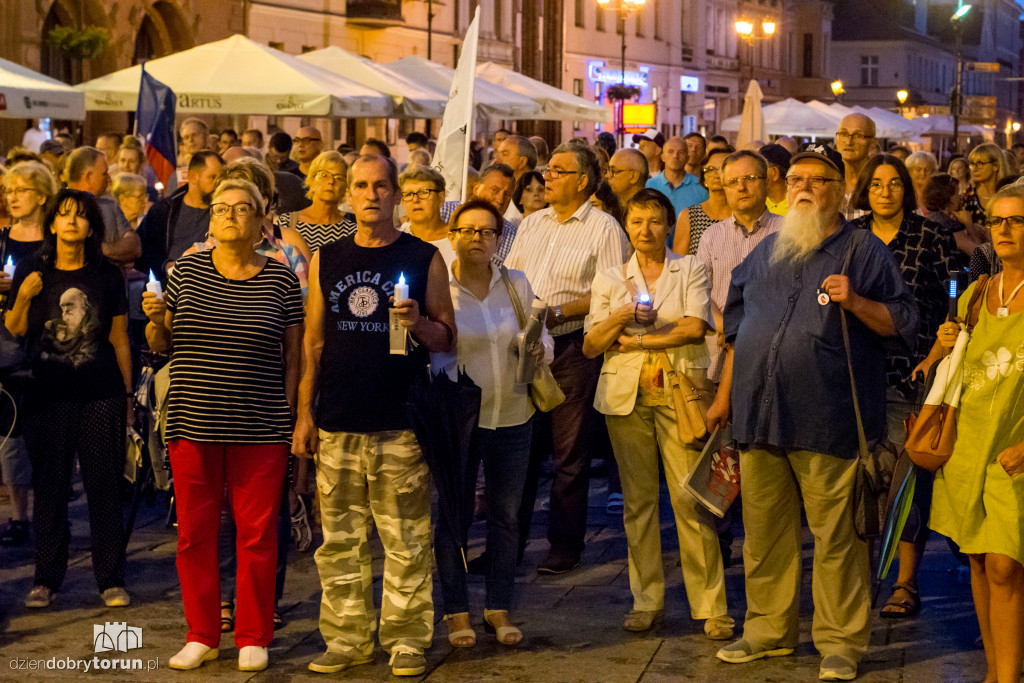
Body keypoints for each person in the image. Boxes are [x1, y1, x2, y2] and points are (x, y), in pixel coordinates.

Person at [708, 145, 918, 682]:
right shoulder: (768, 251)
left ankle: (841, 641)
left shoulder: (863, 251)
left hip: (831, 421)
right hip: (761, 417)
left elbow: (905, 321)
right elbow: (735, 325)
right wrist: (732, 391)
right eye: (797, 179)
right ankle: (768, 631)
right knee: (765, 535)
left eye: (818, 181)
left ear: (839, 191)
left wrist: (857, 303)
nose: (804, 187)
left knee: (838, 540)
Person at [292, 155, 455, 677]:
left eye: (380, 186)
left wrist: (418, 324)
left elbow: (448, 337)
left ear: (396, 196)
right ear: (349, 195)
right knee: (339, 543)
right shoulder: (327, 258)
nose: (369, 195)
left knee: (406, 539)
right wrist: (305, 416)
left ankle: (407, 639)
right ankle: (346, 640)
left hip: (400, 420)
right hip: (338, 420)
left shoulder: (424, 256)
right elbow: (314, 342)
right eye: (360, 186)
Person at [141, 178, 302, 672]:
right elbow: (162, 343)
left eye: (241, 209)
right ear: (210, 220)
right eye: (220, 209)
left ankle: (253, 633)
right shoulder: (186, 270)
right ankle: (202, 633)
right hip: (193, 419)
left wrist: (293, 414)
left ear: (260, 222)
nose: (229, 215)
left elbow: (293, 355)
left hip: (261, 422)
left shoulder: (280, 279)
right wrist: (154, 318)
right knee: (194, 533)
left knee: (257, 533)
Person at [584, 188, 733, 639]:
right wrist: (621, 317)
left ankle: (711, 606)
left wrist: (639, 340)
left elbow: (695, 325)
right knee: (638, 503)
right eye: (636, 221)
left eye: (653, 221)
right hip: (626, 398)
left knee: (690, 499)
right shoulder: (611, 277)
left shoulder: (688, 267)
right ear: (625, 226)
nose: (644, 230)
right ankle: (646, 599)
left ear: (669, 226)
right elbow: (592, 343)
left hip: (679, 394)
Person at [504, 143, 630, 575]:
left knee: (567, 453)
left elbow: (612, 293)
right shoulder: (531, 223)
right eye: (546, 169)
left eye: (558, 170)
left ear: (582, 180)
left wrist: (559, 311)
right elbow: (511, 278)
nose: (547, 177)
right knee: (518, 447)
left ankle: (565, 544)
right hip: (525, 345)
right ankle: (509, 546)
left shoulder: (604, 228)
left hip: (572, 346)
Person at [432, 199, 553, 648]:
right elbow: (434, 350)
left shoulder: (516, 283)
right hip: (460, 422)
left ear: (499, 239)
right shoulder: (440, 289)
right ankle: (456, 612)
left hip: (514, 414)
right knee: (454, 517)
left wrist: (540, 351)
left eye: (486, 231)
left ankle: (498, 607)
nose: (476, 238)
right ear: (452, 236)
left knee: (505, 517)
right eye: (467, 230)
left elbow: (541, 338)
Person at [6, 189, 133, 610]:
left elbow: (118, 339)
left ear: (92, 225)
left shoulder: (106, 275)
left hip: (101, 393)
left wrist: (129, 395)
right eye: (64, 216)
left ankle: (110, 578)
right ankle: (46, 578)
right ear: (53, 224)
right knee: (50, 488)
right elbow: (14, 329)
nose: (72, 222)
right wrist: (24, 295)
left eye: (80, 216)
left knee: (104, 488)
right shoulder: (32, 269)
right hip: (48, 395)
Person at [849, 155, 960, 620]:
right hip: (855, 373)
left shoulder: (929, 234)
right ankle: (858, 580)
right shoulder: (850, 238)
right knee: (860, 480)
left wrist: (952, 322)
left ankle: (905, 582)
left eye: (894, 184)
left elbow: (959, 280)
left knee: (905, 480)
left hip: (912, 372)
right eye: (876, 184)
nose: (886, 191)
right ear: (865, 190)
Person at [921, 185, 1024, 683]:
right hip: (969, 443)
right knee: (980, 560)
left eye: (1017, 221)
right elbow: (959, 357)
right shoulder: (982, 289)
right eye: (998, 220)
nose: (1003, 230)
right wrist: (946, 341)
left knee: (1006, 563)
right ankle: (996, 671)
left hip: (1016, 447)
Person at [0, 161, 57, 547]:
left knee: (47, 427)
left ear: (40, 195)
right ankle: (19, 515)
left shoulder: (55, 239)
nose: (13, 197)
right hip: (7, 342)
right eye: (9, 190)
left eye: (21, 190)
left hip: (50, 340)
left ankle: (51, 509)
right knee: (10, 427)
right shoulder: (2, 239)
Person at [697, 150, 783, 381]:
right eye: (733, 182)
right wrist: (724, 325)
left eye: (750, 179)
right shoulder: (711, 236)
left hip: (773, 350)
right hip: (720, 347)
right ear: (724, 189)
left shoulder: (788, 233)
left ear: (766, 183)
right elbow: (700, 289)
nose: (741, 187)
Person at [137, 150, 224, 280]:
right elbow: (142, 251)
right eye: (213, 177)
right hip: (168, 287)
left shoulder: (224, 212)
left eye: (221, 178)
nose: (219, 183)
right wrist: (165, 266)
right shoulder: (164, 211)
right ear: (193, 176)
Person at [65, 147, 142, 267]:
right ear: (88, 176)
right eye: (104, 174)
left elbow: (134, 246)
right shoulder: (59, 209)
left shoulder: (110, 206)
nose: (109, 179)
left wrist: (99, 248)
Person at [274, 151, 356, 253]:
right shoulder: (286, 222)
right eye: (324, 175)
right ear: (312, 181)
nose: (331, 181)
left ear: (345, 186)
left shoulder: (354, 228)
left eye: (338, 177)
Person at [440, 163, 519, 264]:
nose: (500, 199)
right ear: (476, 188)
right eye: (495, 190)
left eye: (507, 194)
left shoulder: (513, 238)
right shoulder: (444, 212)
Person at [673, 147, 734, 256]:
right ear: (704, 176)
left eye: (722, 169)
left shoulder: (743, 215)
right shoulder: (690, 216)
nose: (716, 174)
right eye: (710, 169)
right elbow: (679, 262)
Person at [647, 137, 710, 237]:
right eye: (670, 152)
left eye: (681, 152)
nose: (675, 156)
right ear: (662, 157)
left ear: (687, 157)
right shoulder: (649, 185)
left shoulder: (701, 186)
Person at [399, 166, 453, 267]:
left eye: (423, 192)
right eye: (409, 194)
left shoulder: (458, 242)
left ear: (441, 199)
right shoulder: (396, 241)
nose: (415, 200)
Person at [963, 142, 1015, 233]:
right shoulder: (967, 196)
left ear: (995, 165)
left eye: (980, 163)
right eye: (972, 164)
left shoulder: (1010, 195)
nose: (974, 169)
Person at [835, 113, 877, 219]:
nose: (849, 142)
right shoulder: (825, 182)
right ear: (836, 138)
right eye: (844, 134)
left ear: (873, 143)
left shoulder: (880, 186)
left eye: (858, 135)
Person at [496, 135, 538, 225]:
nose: (497, 160)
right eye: (497, 154)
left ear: (522, 161)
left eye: (504, 154)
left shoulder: (537, 195)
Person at [759, 143, 791, 215]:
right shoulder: (757, 205)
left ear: (774, 173)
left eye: (759, 168)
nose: (755, 174)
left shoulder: (798, 207)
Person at [905, 151, 938, 216]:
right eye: (918, 169)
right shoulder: (904, 194)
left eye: (927, 170)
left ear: (932, 172)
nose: (923, 173)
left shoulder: (937, 195)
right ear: (909, 171)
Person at [177, 118, 210, 185]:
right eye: (186, 137)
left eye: (194, 135)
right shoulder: (178, 168)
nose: (191, 140)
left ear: (206, 137)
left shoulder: (218, 163)